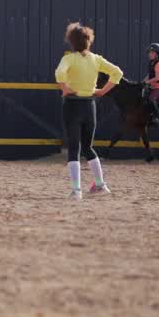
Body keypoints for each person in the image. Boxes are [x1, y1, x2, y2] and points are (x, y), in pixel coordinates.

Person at [55, 22, 123, 199]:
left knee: (73, 148)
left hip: (72, 105)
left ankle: (77, 190)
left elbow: (59, 73)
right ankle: (100, 184)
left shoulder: (69, 59)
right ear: (89, 41)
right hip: (90, 106)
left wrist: (64, 88)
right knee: (88, 147)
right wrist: (102, 91)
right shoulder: (96, 59)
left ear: (71, 42)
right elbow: (117, 73)